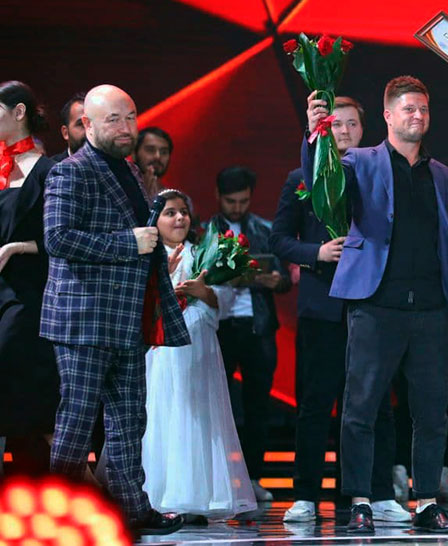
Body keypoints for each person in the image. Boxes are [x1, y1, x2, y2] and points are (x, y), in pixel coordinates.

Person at [301, 75, 448, 534]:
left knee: (431, 411)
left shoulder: (441, 174)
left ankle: (427, 501)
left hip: (430, 308)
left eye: (423, 109)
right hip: (376, 304)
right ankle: (360, 500)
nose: (417, 116)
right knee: (361, 407)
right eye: (408, 109)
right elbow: (320, 187)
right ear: (388, 115)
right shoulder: (359, 161)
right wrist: (314, 136)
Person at [42, 84, 189, 535]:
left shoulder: (129, 169)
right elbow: (58, 238)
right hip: (84, 319)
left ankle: (132, 509)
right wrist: (128, 243)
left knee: (129, 421)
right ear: (87, 124)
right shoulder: (70, 172)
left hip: (126, 315)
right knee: (77, 421)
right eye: (113, 120)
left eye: (130, 117)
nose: (126, 128)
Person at [271, 96, 409, 525]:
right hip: (322, 308)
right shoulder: (302, 178)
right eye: (336, 125)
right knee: (315, 405)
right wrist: (316, 252)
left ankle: (377, 494)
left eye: (352, 124)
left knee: (375, 405)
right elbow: (279, 239)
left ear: (364, 130)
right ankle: (306, 496)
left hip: (371, 307)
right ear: (323, 131)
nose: (344, 131)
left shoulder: (379, 177)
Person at [142, 190, 257, 520]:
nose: (179, 218)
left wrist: (203, 292)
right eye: (170, 213)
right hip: (161, 349)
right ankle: (158, 493)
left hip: (199, 343)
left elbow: (224, 301)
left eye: (183, 211)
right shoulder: (146, 257)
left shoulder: (202, 253)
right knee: (164, 410)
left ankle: (198, 495)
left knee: (198, 415)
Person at [209, 166, 290, 503]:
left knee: (258, 406)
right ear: (219, 196)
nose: (237, 208)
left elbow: (284, 278)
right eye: (231, 201)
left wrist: (276, 281)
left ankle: (254, 476)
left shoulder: (265, 229)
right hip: (220, 328)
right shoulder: (206, 231)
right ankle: (216, 479)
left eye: (243, 201)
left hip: (258, 327)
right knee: (216, 406)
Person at [0, 81, 59, 476]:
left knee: (20, 384)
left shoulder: (48, 171)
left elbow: (60, 239)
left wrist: (16, 248)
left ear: (18, 112)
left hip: (26, 295)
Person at [134, 127, 173, 195]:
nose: (158, 156)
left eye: (164, 152)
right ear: (134, 154)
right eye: (150, 150)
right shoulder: (119, 190)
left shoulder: (173, 198)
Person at [53, 92, 86, 162]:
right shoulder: (52, 166)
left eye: (94, 123)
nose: (89, 130)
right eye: (81, 124)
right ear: (65, 133)